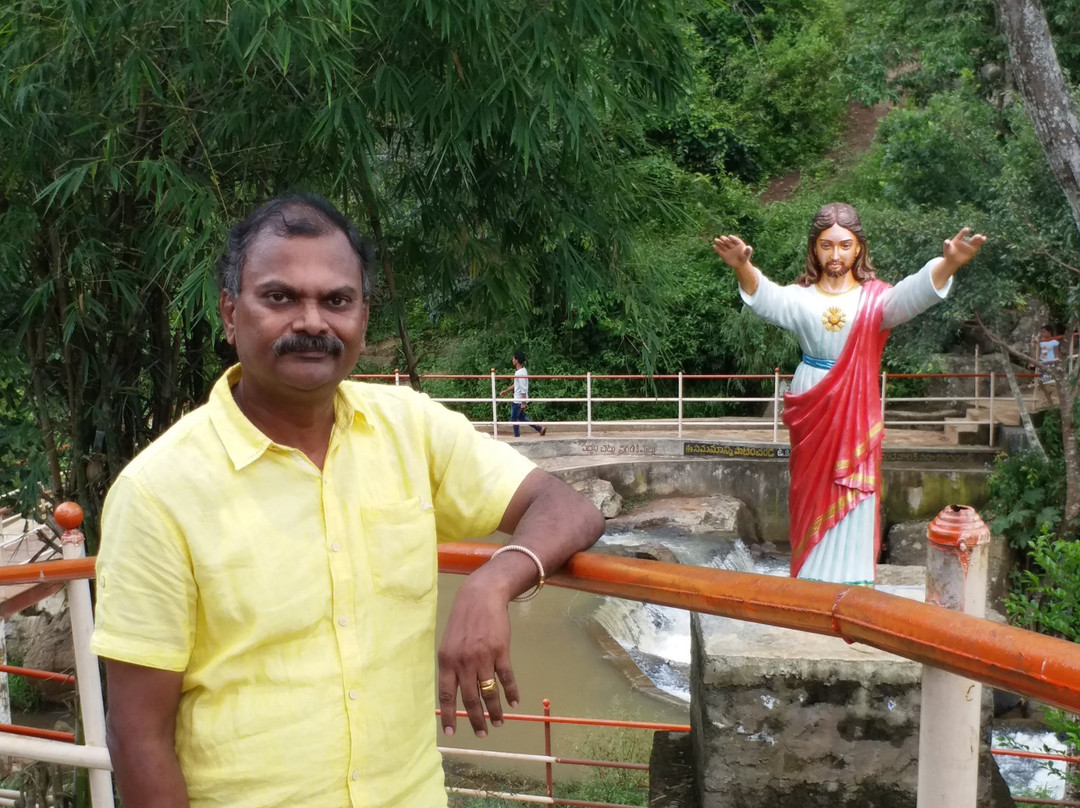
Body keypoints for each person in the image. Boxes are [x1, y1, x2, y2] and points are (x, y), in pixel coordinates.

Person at [90, 194, 605, 808]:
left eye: (336, 301)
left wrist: (496, 579)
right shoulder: (158, 492)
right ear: (230, 314)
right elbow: (138, 735)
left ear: (364, 316)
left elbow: (568, 506)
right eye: (280, 297)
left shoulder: (410, 429)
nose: (312, 322)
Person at [713, 202, 985, 586]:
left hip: (856, 403)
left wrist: (949, 264)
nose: (835, 255)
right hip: (813, 397)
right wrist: (743, 267)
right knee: (810, 489)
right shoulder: (801, 297)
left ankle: (854, 577)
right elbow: (768, 297)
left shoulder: (875, 300)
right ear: (814, 248)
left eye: (844, 245)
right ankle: (811, 575)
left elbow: (911, 294)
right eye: (826, 245)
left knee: (856, 485)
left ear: (859, 248)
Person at [499, 351, 546, 437]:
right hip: (520, 399)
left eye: (513, 358)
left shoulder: (519, 373)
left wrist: (523, 402)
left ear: (517, 360)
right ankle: (540, 429)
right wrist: (506, 391)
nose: (512, 360)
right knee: (521, 418)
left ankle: (517, 436)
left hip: (518, 400)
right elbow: (517, 384)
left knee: (514, 419)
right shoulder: (523, 371)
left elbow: (523, 388)